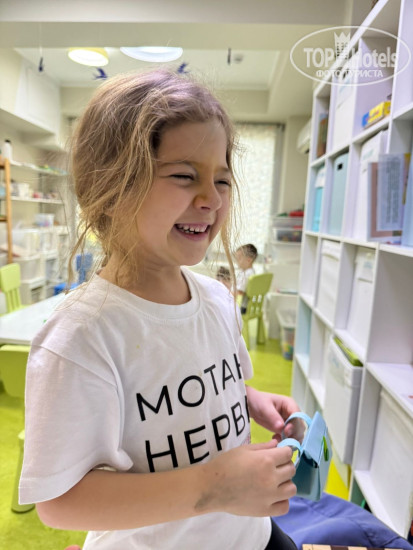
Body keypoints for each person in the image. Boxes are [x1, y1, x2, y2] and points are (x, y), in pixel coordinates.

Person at [19, 69, 301, 550]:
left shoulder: (217, 298)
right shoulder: (82, 337)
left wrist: (248, 398)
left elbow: (197, 382)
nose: (211, 199)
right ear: (111, 188)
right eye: (184, 176)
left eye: (222, 179)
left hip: (252, 536)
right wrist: (213, 486)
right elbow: (60, 501)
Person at [235, 243, 258, 313]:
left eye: (239, 258)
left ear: (249, 260)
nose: (237, 261)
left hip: (241, 307)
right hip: (243, 305)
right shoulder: (250, 271)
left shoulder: (247, 274)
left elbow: (240, 292)